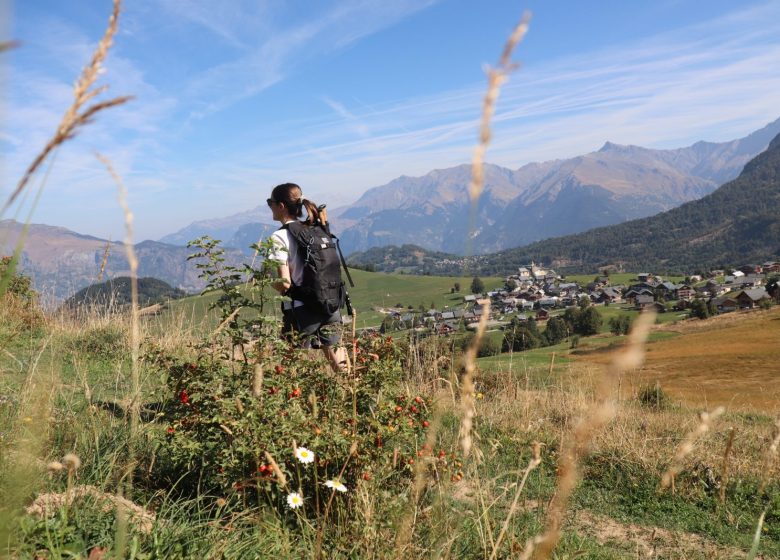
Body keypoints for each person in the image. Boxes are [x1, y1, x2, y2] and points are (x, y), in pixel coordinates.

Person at [266, 182, 345, 372]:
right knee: (339, 363)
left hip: (301, 310)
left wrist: (267, 280)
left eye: (271, 202)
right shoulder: (313, 229)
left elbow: (284, 284)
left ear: (281, 206)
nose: (270, 206)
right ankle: (353, 395)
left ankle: (292, 400)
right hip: (330, 303)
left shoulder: (279, 237)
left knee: (287, 368)